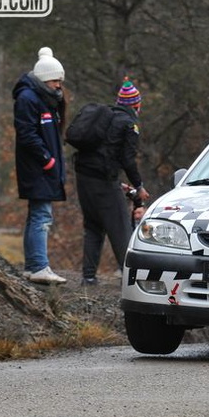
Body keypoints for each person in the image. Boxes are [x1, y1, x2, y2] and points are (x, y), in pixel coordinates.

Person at [74, 78, 150, 285]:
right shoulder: (129, 124)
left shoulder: (106, 118)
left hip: (84, 177)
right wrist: (139, 186)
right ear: (136, 105)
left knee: (93, 227)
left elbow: (104, 153)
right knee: (121, 229)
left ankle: (88, 278)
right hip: (104, 181)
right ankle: (132, 282)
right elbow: (127, 159)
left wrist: (119, 183)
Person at [13, 47, 68, 285]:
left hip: (43, 167)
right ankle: (38, 266)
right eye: (56, 80)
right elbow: (26, 134)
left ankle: (32, 265)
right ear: (45, 79)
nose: (59, 85)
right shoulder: (28, 99)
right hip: (37, 167)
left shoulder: (46, 99)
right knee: (42, 216)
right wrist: (47, 159)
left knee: (37, 214)